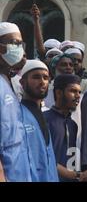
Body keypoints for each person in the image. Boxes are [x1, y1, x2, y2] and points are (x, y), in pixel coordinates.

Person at [44, 74, 87, 182]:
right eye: (73, 91)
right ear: (58, 92)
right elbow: (43, 158)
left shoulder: (73, 124)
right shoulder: (44, 119)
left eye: (79, 92)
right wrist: (74, 175)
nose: (78, 96)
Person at [0, 22, 32, 181]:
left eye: (21, 44)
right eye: (15, 44)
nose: (20, 48)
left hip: (19, 169)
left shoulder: (10, 82)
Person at [20, 60, 59, 181]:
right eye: (36, 77)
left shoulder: (42, 114)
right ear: (22, 82)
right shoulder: (16, 115)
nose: (42, 82)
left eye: (46, 77)